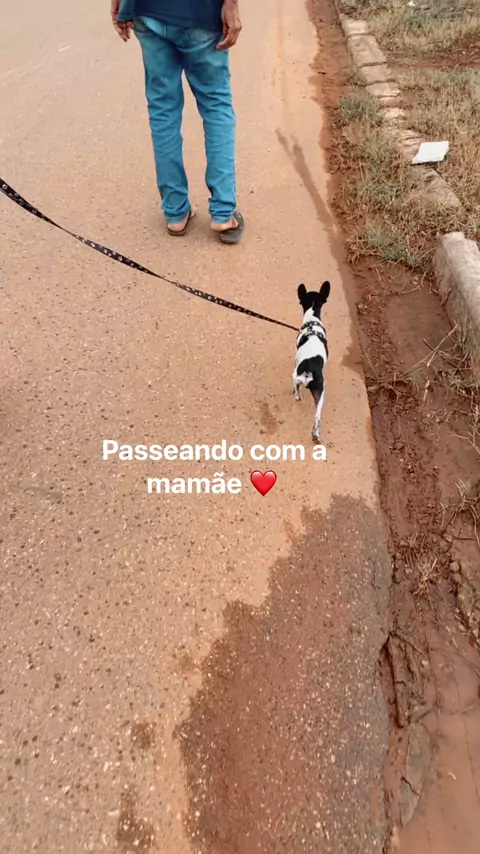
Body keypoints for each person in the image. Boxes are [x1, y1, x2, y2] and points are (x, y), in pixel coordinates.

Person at [111, 0, 244, 244]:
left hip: (147, 11)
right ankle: (223, 212)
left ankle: (175, 212)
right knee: (216, 105)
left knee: (163, 109)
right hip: (201, 12)